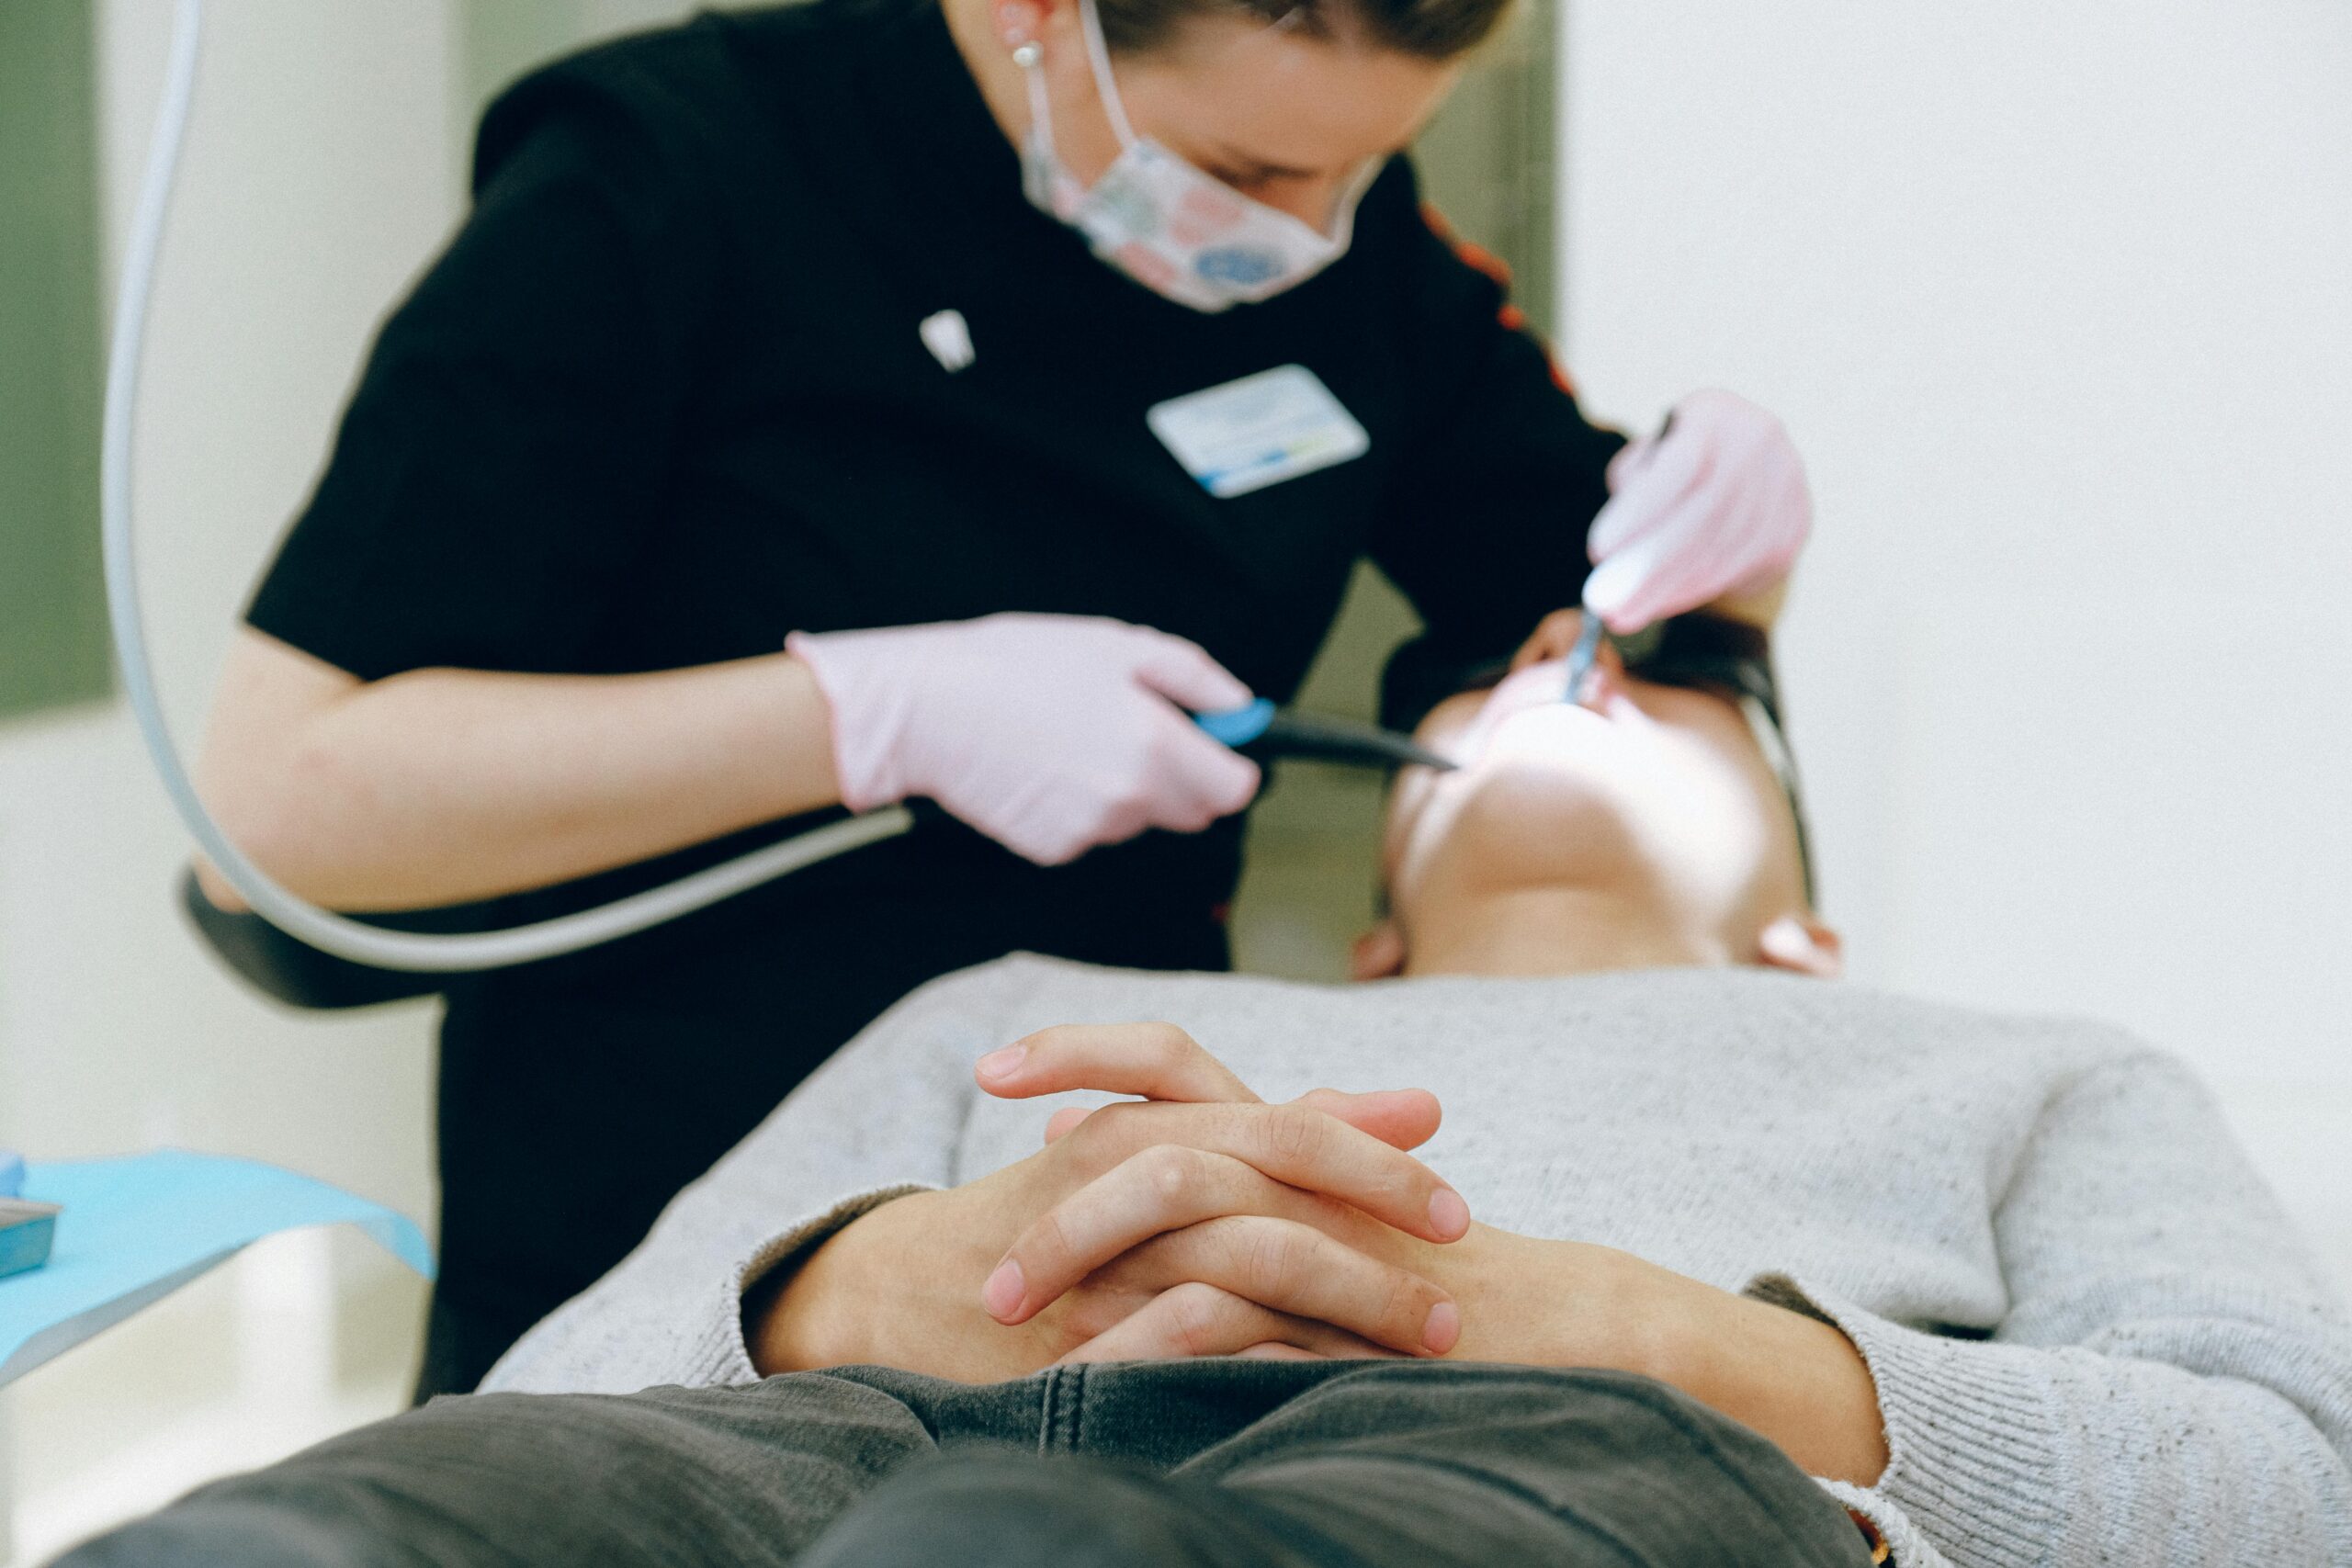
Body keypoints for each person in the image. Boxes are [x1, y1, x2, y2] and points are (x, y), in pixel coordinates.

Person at [190, 0, 1814, 1397]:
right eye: (1249, 176)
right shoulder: (657, 184)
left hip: (1094, 1241)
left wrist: (1729, 570)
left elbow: (1586, 612)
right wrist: (860, 715)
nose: (1309, 233)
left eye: (1365, 172)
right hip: (660, 1229)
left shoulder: (1341, 239)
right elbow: (282, 811)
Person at [83, 612, 2352, 1566]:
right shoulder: (1029, 996)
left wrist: (1659, 1338)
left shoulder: (2012, 1064)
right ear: (1364, 930)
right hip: (829, 1441)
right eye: (1500, 676)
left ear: (1801, 933)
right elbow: (532, 1384)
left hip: (1578, 1455)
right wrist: (861, 1293)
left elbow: (2293, 1484)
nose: (1558, 669)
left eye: (1650, 688)